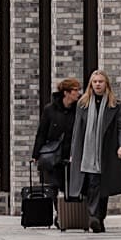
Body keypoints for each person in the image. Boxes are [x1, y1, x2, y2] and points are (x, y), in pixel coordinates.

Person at [68, 70, 121, 234]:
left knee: (103, 187)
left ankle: (99, 218)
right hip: (87, 152)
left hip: (106, 152)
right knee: (92, 184)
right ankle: (94, 217)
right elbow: (77, 130)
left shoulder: (115, 105)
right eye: (95, 81)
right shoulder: (83, 104)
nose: (97, 84)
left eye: (100, 81)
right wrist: (74, 152)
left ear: (106, 84)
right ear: (91, 84)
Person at [31, 76, 81, 208]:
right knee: (53, 186)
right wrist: (35, 154)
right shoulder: (50, 109)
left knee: (71, 186)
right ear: (66, 92)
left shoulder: (79, 109)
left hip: (72, 154)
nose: (78, 93)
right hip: (53, 154)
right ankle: (58, 213)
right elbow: (42, 133)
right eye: (75, 90)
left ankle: (70, 214)